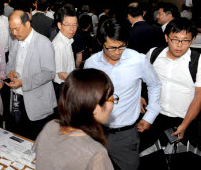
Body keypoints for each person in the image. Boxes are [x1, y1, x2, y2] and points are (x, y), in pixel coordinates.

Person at [84, 19, 161, 170]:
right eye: (111, 48)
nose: (117, 52)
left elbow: (155, 85)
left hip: (126, 135)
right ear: (100, 42)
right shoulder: (91, 64)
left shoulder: (138, 60)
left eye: (122, 46)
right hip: (96, 131)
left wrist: (150, 115)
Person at [142, 19, 201, 168]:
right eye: (175, 40)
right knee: (151, 159)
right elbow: (140, 78)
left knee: (183, 161)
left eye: (186, 40)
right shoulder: (153, 54)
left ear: (193, 40)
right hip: (156, 118)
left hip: (184, 119)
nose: (180, 45)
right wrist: (139, 96)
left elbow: (199, 96)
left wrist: (184, 125)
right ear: (166, 37)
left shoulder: (197, 60)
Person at [33, 69, 115, 170]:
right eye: (111, 99)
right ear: (95, 107)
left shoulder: (51, 126)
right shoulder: (96, 153)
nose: (113, 104)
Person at [6, 10, 57, 140]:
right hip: (17, 99)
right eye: (11, 29)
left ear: (27, 24)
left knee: (36, 141)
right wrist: (9, 72)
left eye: (16, 29)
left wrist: (24, 82)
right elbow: (9, 64)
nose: (14, 33)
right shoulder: (15, 41)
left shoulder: (43, 43)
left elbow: (49, 73)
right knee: (17, 137)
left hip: (37, 102)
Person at [52, 5, 77, 100]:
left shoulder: (67, 40)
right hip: (62, 88)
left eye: (74, 25)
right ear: (59, 25)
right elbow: (61, 74)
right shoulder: (59, 45)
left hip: (67, 84)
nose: (72, 29)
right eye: (67, 25)